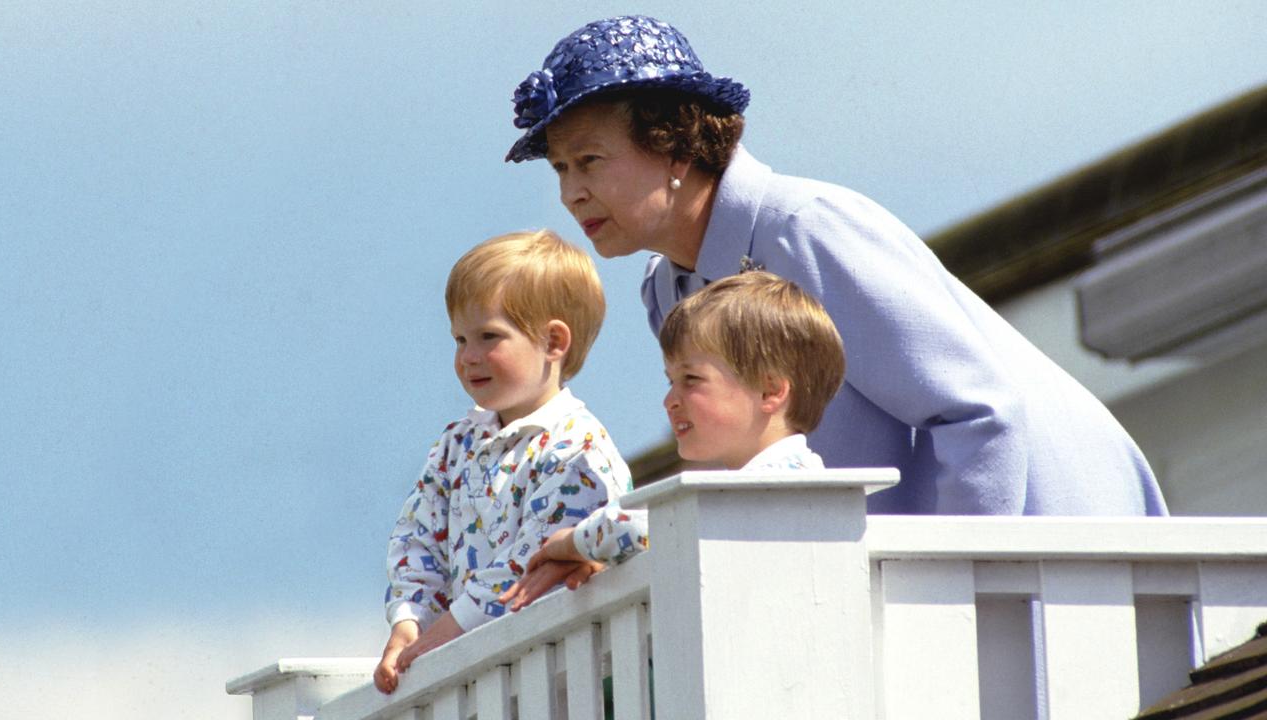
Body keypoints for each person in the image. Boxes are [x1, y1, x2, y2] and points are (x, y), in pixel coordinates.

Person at [504, 15, 1167, 517]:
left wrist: (942, 601)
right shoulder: (668, 288)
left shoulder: (805, 228)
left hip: (1061, 549)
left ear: (673, 145)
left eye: (589, 160)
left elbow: (978, 413)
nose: (570, 192)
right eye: (561, 168)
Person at [373, 230, 632, 694]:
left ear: (554, 341)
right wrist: (410, 620)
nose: (468, 357)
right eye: (459, 339)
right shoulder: (457, 443)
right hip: (476, 678)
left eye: (489, 336)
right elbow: (418, 533)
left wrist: (446, 633)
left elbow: (533, 559)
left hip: (560, 678)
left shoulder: (577, 448)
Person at [501, 271, 844, 610]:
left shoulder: (780, 482)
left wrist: (570, 543)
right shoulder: (763, 486)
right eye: (671, 382)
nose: (670, 401)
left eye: (691, 379)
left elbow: (643, 525)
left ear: (770, 391)